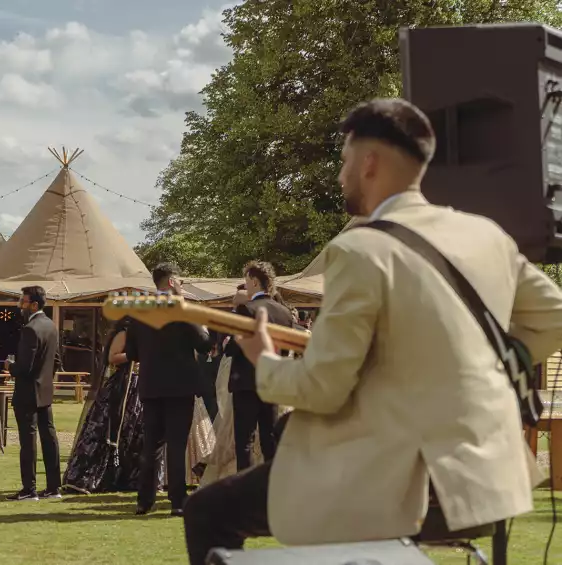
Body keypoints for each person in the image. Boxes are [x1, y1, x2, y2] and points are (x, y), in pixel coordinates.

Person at [182, 98, 562, 564]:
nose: (341, 175)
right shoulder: (486, 235)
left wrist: (266, 362)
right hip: (484, 484)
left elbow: (323, 389)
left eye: (344, 161)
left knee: (207, 511)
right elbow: (554, 315)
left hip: (394, 485)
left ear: (370, 163)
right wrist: (500, 361)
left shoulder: (360, 250)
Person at [125, 263, 212, 517]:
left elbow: (131, 352)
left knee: (151, 445)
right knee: (176, 444)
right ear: (172, 282)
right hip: (180, 385)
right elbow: (204, 344)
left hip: (151, 385)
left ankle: (144, 500)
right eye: (181, 281)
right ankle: (176, 500)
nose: (182, 286)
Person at [63, 318, 155, 493]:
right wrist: (135, 355)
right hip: (124, 386)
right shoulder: (125, 333)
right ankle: (101, 475)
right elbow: (113, 357)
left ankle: (131, 478)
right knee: (109, 429)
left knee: (137, 433)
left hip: (142, 386)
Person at [224, 261, 293, 471]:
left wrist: (228, 344)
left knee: (245, 441)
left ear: (254, 281)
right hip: (273, 380)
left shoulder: (248, 308)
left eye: (246, 281)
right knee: (270, 437)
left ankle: (245, 494)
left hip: (246, 381)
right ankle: (272, 488)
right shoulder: (284, 312)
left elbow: (234, 347)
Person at [7, 285, 61, 501]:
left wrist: (10, 366)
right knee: (49, 437)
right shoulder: (51, 326)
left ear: (34, 305)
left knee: (28, 441)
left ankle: (29, 489)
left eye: (23, 301)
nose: (20, 305)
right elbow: (57, 360)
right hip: (45, 390)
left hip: (28, 391)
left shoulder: (31, 329)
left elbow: (24, 367)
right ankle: (53, 487)